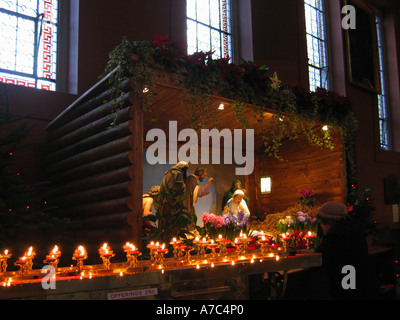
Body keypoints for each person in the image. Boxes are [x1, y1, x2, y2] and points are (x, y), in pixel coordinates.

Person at [315, 201, 379, 300]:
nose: (321, 227)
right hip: (364, 282)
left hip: (348, 284)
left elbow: (320, 256)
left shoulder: (336, 234)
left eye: (321, 223)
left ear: (328, 221)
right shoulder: (354, 228)